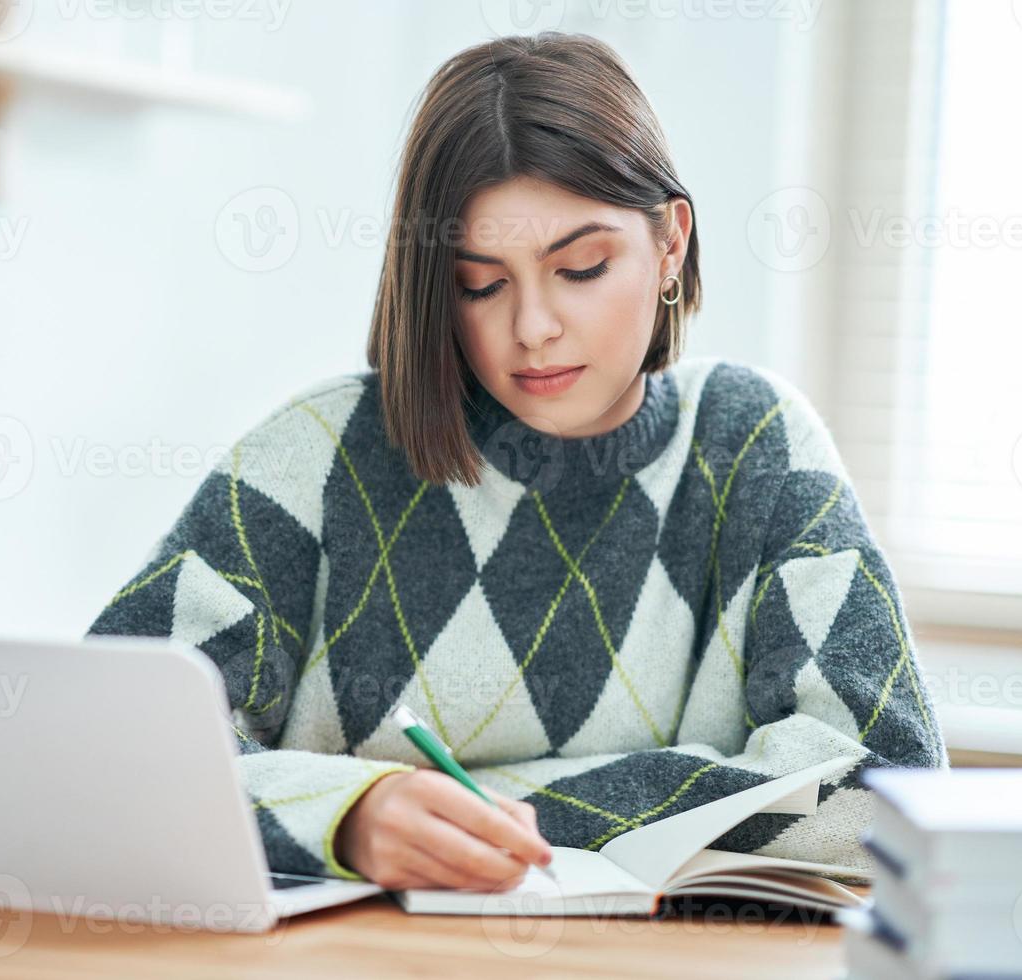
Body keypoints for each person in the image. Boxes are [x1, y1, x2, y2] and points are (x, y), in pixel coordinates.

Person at [84, 31, 946, 894]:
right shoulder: (315, 456)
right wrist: (351, 818)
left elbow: (887, 789)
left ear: (671, 243)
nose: (532, 326)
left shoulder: (755, 445)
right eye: (480, 284)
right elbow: (100, 743)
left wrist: (477, 807)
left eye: (580, 267)